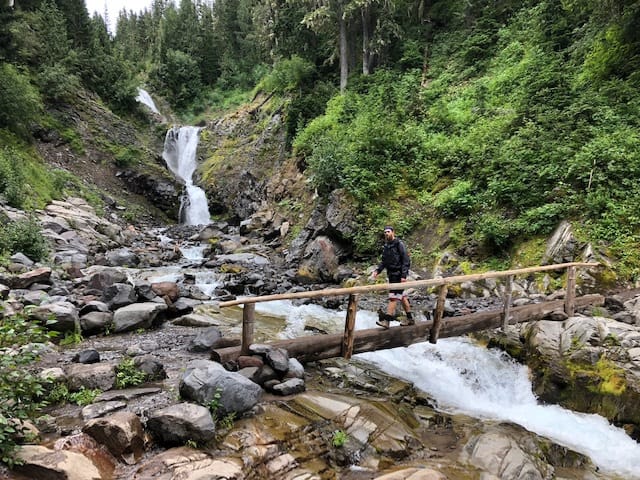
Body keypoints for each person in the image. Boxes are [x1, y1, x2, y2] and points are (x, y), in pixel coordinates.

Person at [371, 226, 413, 329]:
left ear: (393, 232)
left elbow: (406, 260)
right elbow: (384, 261)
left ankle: (387, 321)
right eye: (385, 232)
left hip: (399, 275)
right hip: (391, 275)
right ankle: (410, 319)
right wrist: (378, 270)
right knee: (402, 297)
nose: (386, 234)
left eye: (388, 232)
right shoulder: (386, 246)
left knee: (393, 298)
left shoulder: (399, 244)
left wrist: (403, 275)